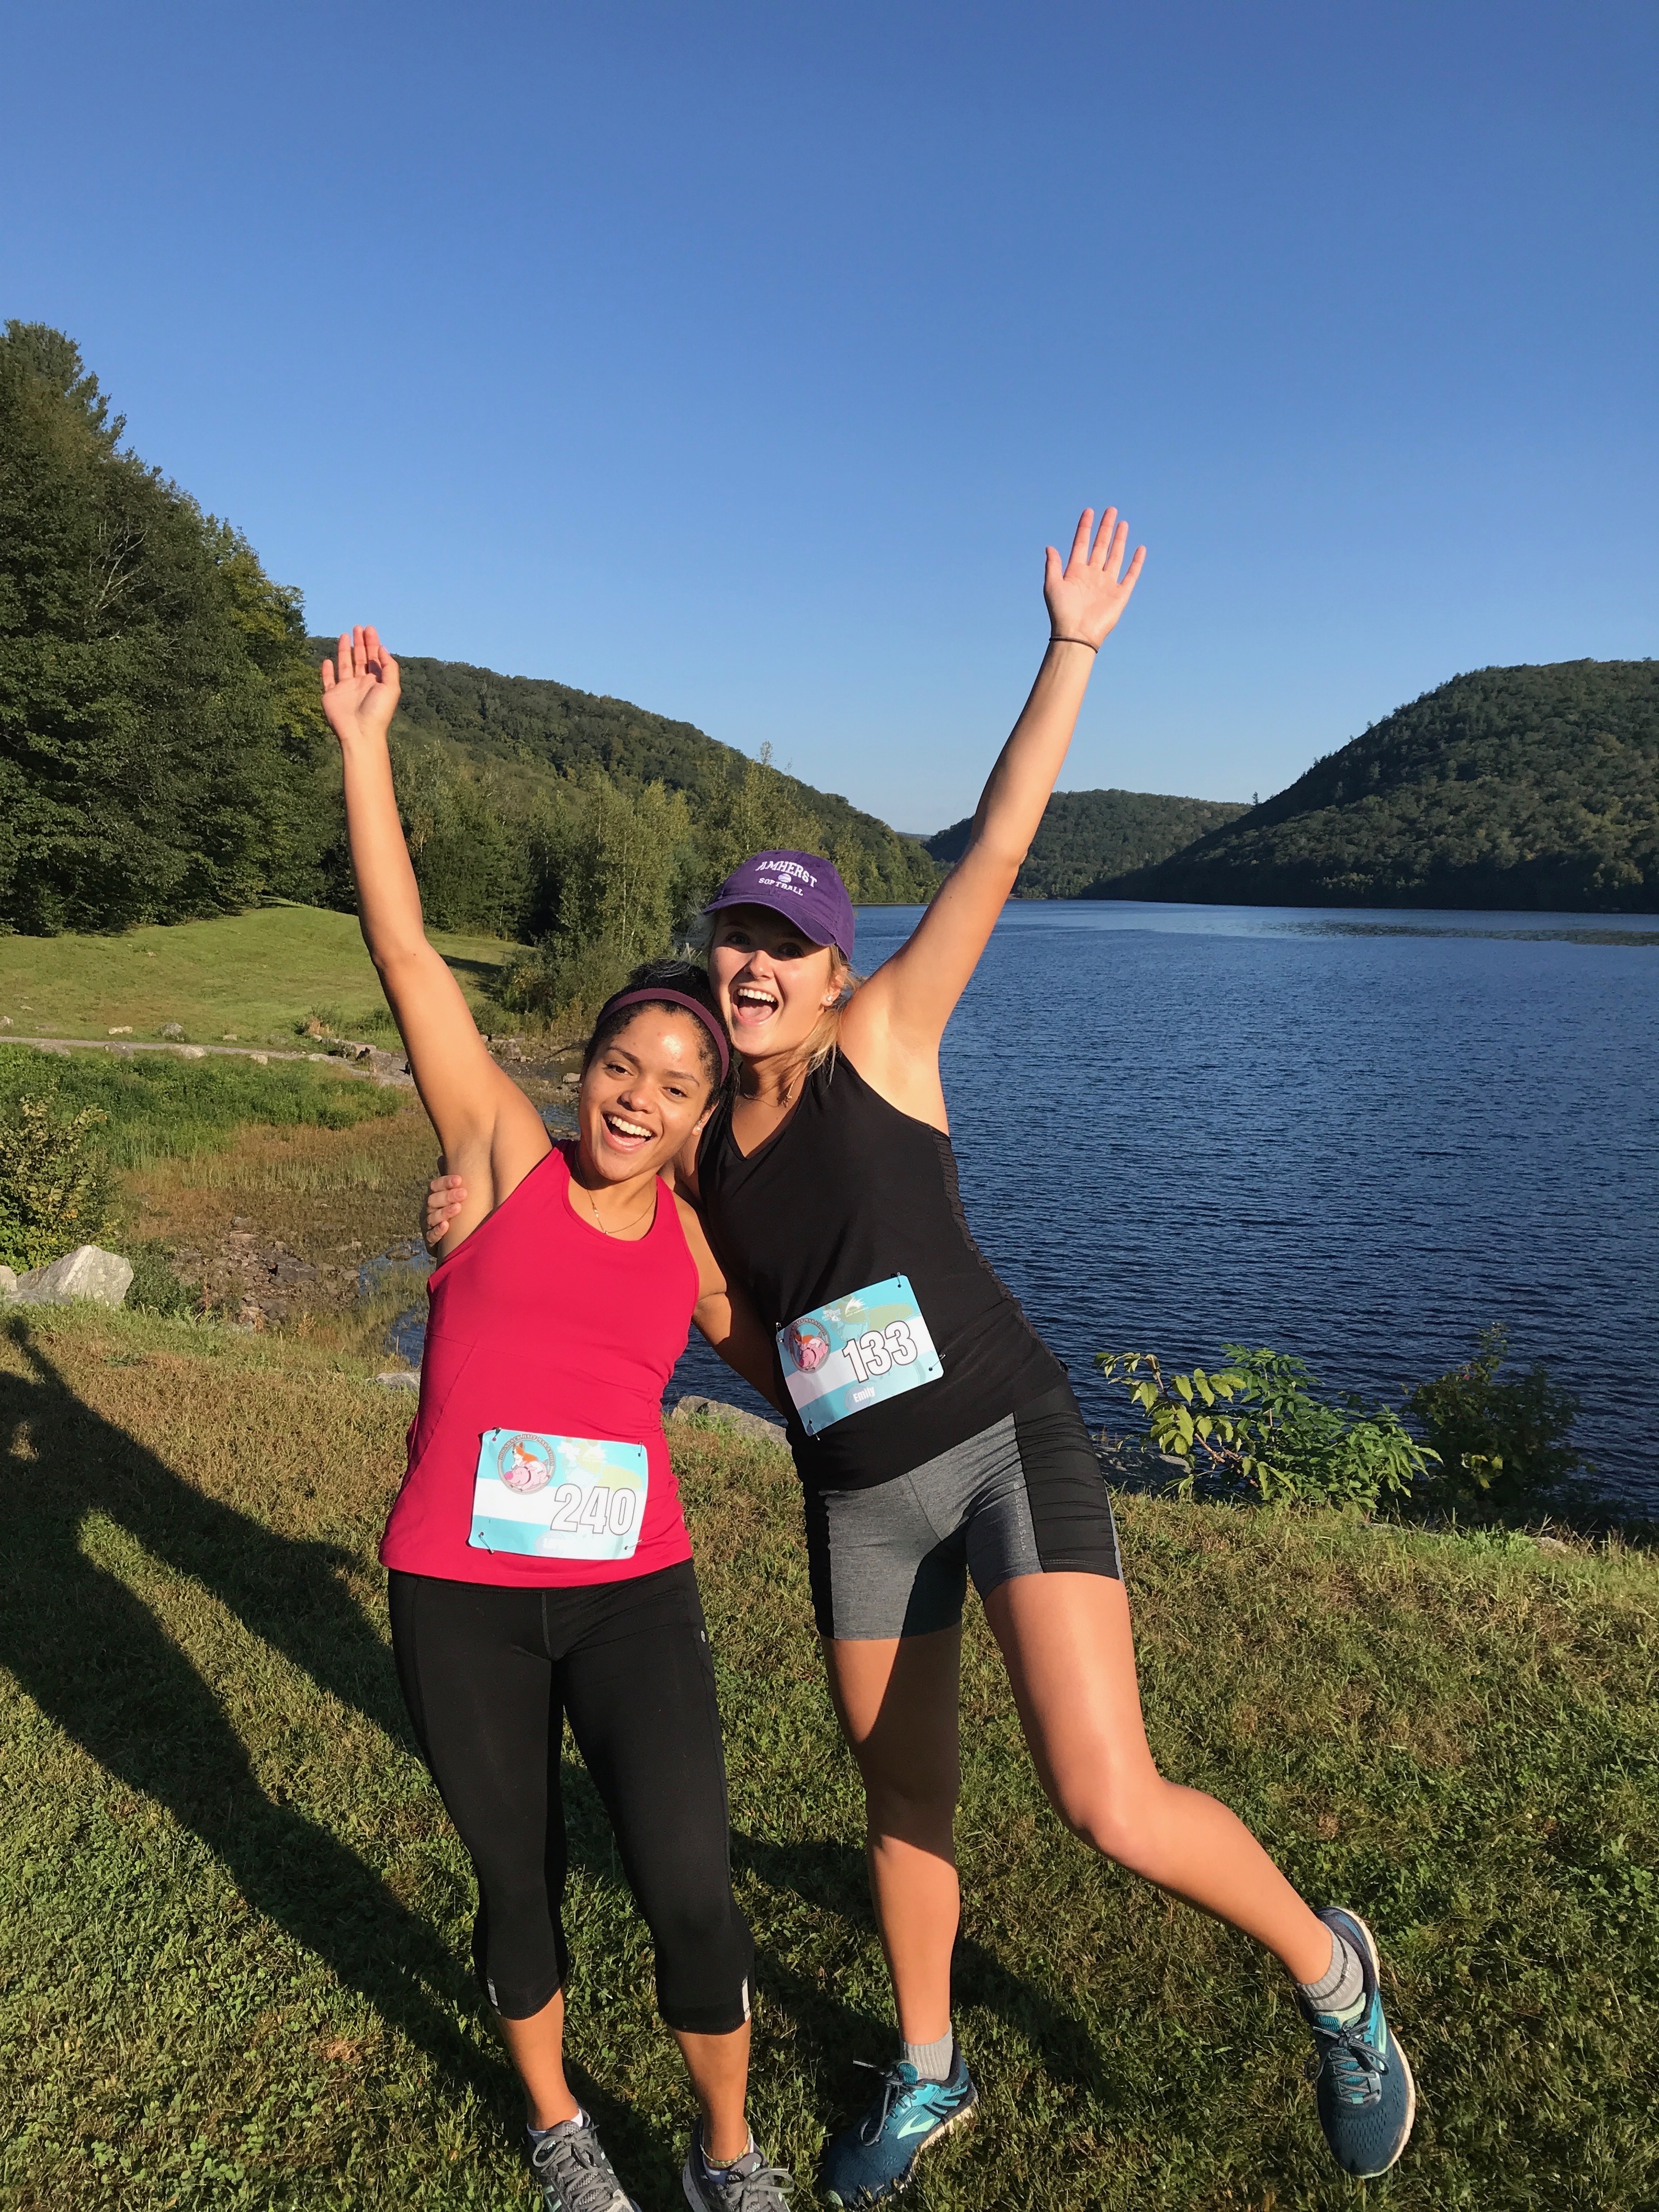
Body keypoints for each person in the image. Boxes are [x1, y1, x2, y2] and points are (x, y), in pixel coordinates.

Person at [428, 509, 1417, 2200]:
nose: (752, 965)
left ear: (833, 971)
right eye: (733, 936)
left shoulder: (889, 1038)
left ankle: (1338, 1983)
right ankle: (932, 2067)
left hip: (1001, 1444)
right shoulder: (686, 1149)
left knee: (1104, 1797)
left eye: (785, 946)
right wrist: (467, 1211)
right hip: (857, 1499)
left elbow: (1006, 846)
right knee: (905, 1800)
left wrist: (1073, 651)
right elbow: (711, 1313)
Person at [321, 628, 793, 2212]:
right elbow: (404, 959)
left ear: (700, 1112)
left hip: (629, 1600)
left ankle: (727, 2150)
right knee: (515, 1884)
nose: (636, 1094)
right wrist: (369, 745)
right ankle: (557, 2123)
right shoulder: (505, 1160)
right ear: (581, 1068)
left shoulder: (689, 1241)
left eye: (674, 1080)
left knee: (692, 1894)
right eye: (618, 1062)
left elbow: (788, 1348)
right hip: (458, 1599)